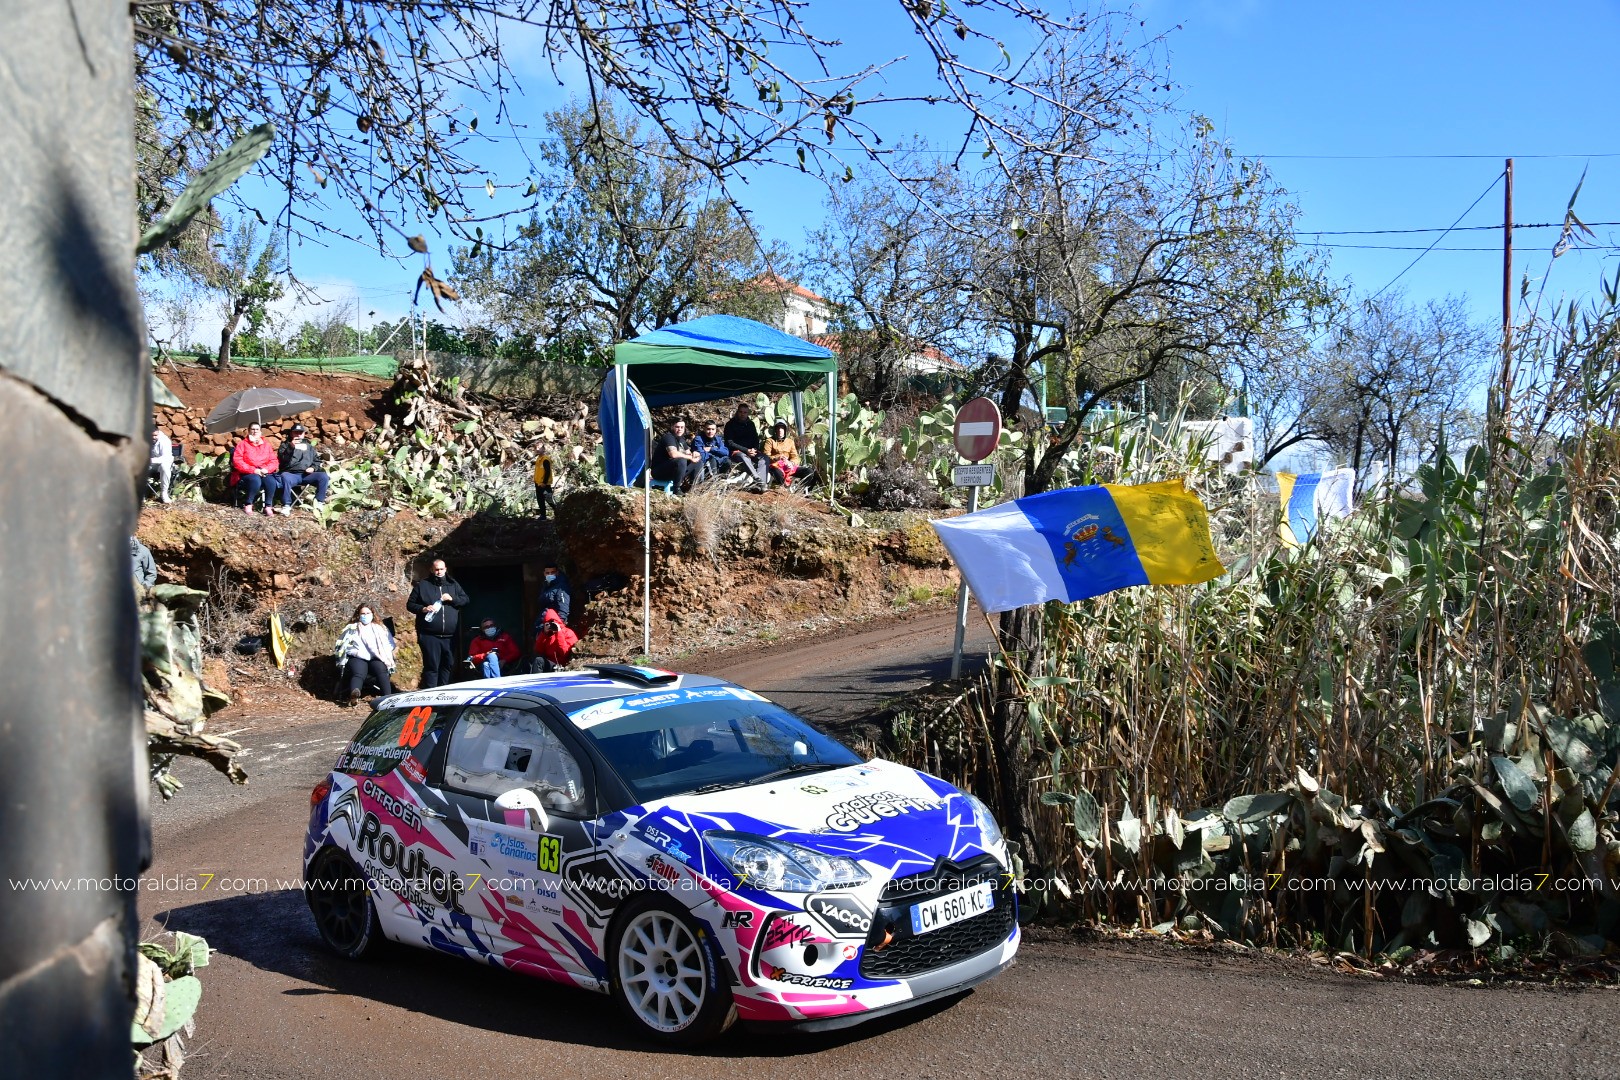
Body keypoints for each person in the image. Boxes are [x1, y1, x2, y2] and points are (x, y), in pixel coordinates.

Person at [406, 557, 469, 688]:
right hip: (430, 635)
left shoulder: (453, 584)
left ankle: (444, 691)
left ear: (445, 569)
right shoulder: (423, 585)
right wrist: (423, 609)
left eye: (441, 569)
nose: (439, 572)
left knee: (448, 665)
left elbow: (465, 600)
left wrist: (452, 599)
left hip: (450, 636)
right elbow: (410, 604)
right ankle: (431, 693)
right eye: (436, 569)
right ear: (431, 570)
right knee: (432, 666)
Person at [333, 602, 395, 704]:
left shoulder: (381, 628)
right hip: (357, 656)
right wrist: (353, 652)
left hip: (377, 657)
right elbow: (343, 645)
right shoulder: (352, 628)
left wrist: (385, 655)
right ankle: (355, 694)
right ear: (358, 615)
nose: (365, 616)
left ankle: (388, 698)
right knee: (359, 673)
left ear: (372, 614)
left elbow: (390, 644)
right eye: (363, 614)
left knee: (381, 670)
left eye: (368, 613)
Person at [276, 424, 330, 513]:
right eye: (295, 433)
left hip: (306, 475)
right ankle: (286, 505)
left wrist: (313, 468)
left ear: (304, 434)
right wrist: (291, 447)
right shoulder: (285, 445)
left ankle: (319, 502)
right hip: (291, 474)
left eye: (300, 433)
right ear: (291, 433)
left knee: (323, 476)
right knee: (285, 476)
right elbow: (282, 460)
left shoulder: (309, 446)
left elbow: (316, 461)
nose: (298, 435)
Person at [230, 422, 280, 515]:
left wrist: (266, 469)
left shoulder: (266, 445)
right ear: (249, 431)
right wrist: (253, 470)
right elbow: (238, 461)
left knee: (271, 481)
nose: (255, 431)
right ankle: (248, 504)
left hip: (263, 471)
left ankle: (268, 506)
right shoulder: (242, 444)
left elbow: (273, 461)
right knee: (255, 479)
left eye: (257, 429)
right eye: (252, 429)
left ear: (260, 431)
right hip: (246, 473)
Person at [723, 401, 769, 488]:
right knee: (744, 457)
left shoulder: (751, 424)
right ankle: (758, 480)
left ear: (748, 413)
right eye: (741, 412)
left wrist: (754, 449)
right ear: (737, 412)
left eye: (745, 412)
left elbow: (756, 439)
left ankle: (761, 485)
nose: (742, 414)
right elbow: (730, 442)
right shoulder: (730, 424)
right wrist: (746, 450)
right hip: (737, 452)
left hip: (751, 451)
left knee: (764, 458)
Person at [650, 418, 700, 493]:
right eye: (677, 427)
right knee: (681, 460)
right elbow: (673, 454)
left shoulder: (681, 440)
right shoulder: (668, 437)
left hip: (673, 470)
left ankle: (693, 488)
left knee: (698, 462)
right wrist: (690, 457)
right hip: (659, 472)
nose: (680, 429)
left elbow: (689, 453)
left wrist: (695, 454)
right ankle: (676, 489)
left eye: (682, 427)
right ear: (672, 427)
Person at [763, 419, 801, 487]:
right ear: (775, 430)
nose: (780, 430)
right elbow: (766, 456)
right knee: (777, 472)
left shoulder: (790, 442)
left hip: (787, 466)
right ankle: (783, 488)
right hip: (774, 465)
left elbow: (795, 457)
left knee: (808, 471)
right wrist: (776, 458)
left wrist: (791, 463)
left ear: (785, 430)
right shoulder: (770, 441)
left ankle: (800, 489)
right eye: (778, 428)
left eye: (782, 428)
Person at [148, 427, 173, 503]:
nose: (153, 437)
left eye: (155, 435)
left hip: (163, 463)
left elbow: (165, 458)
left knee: (164, 467)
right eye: (151, 435)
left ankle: (164, 493)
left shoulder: (165, 441)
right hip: (151, 464)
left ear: (158, 433)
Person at [533, 443, 557, 520]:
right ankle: (543, 516)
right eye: (536, 448)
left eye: (539, 447)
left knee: (549, 499)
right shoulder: (538, 459)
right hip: (538, 483)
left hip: (544, 485)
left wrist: (544, 482)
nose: (537, 449)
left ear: (543, 449)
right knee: (540, 500)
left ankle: (559, 512)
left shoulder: (545, 459)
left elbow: (547, 472)